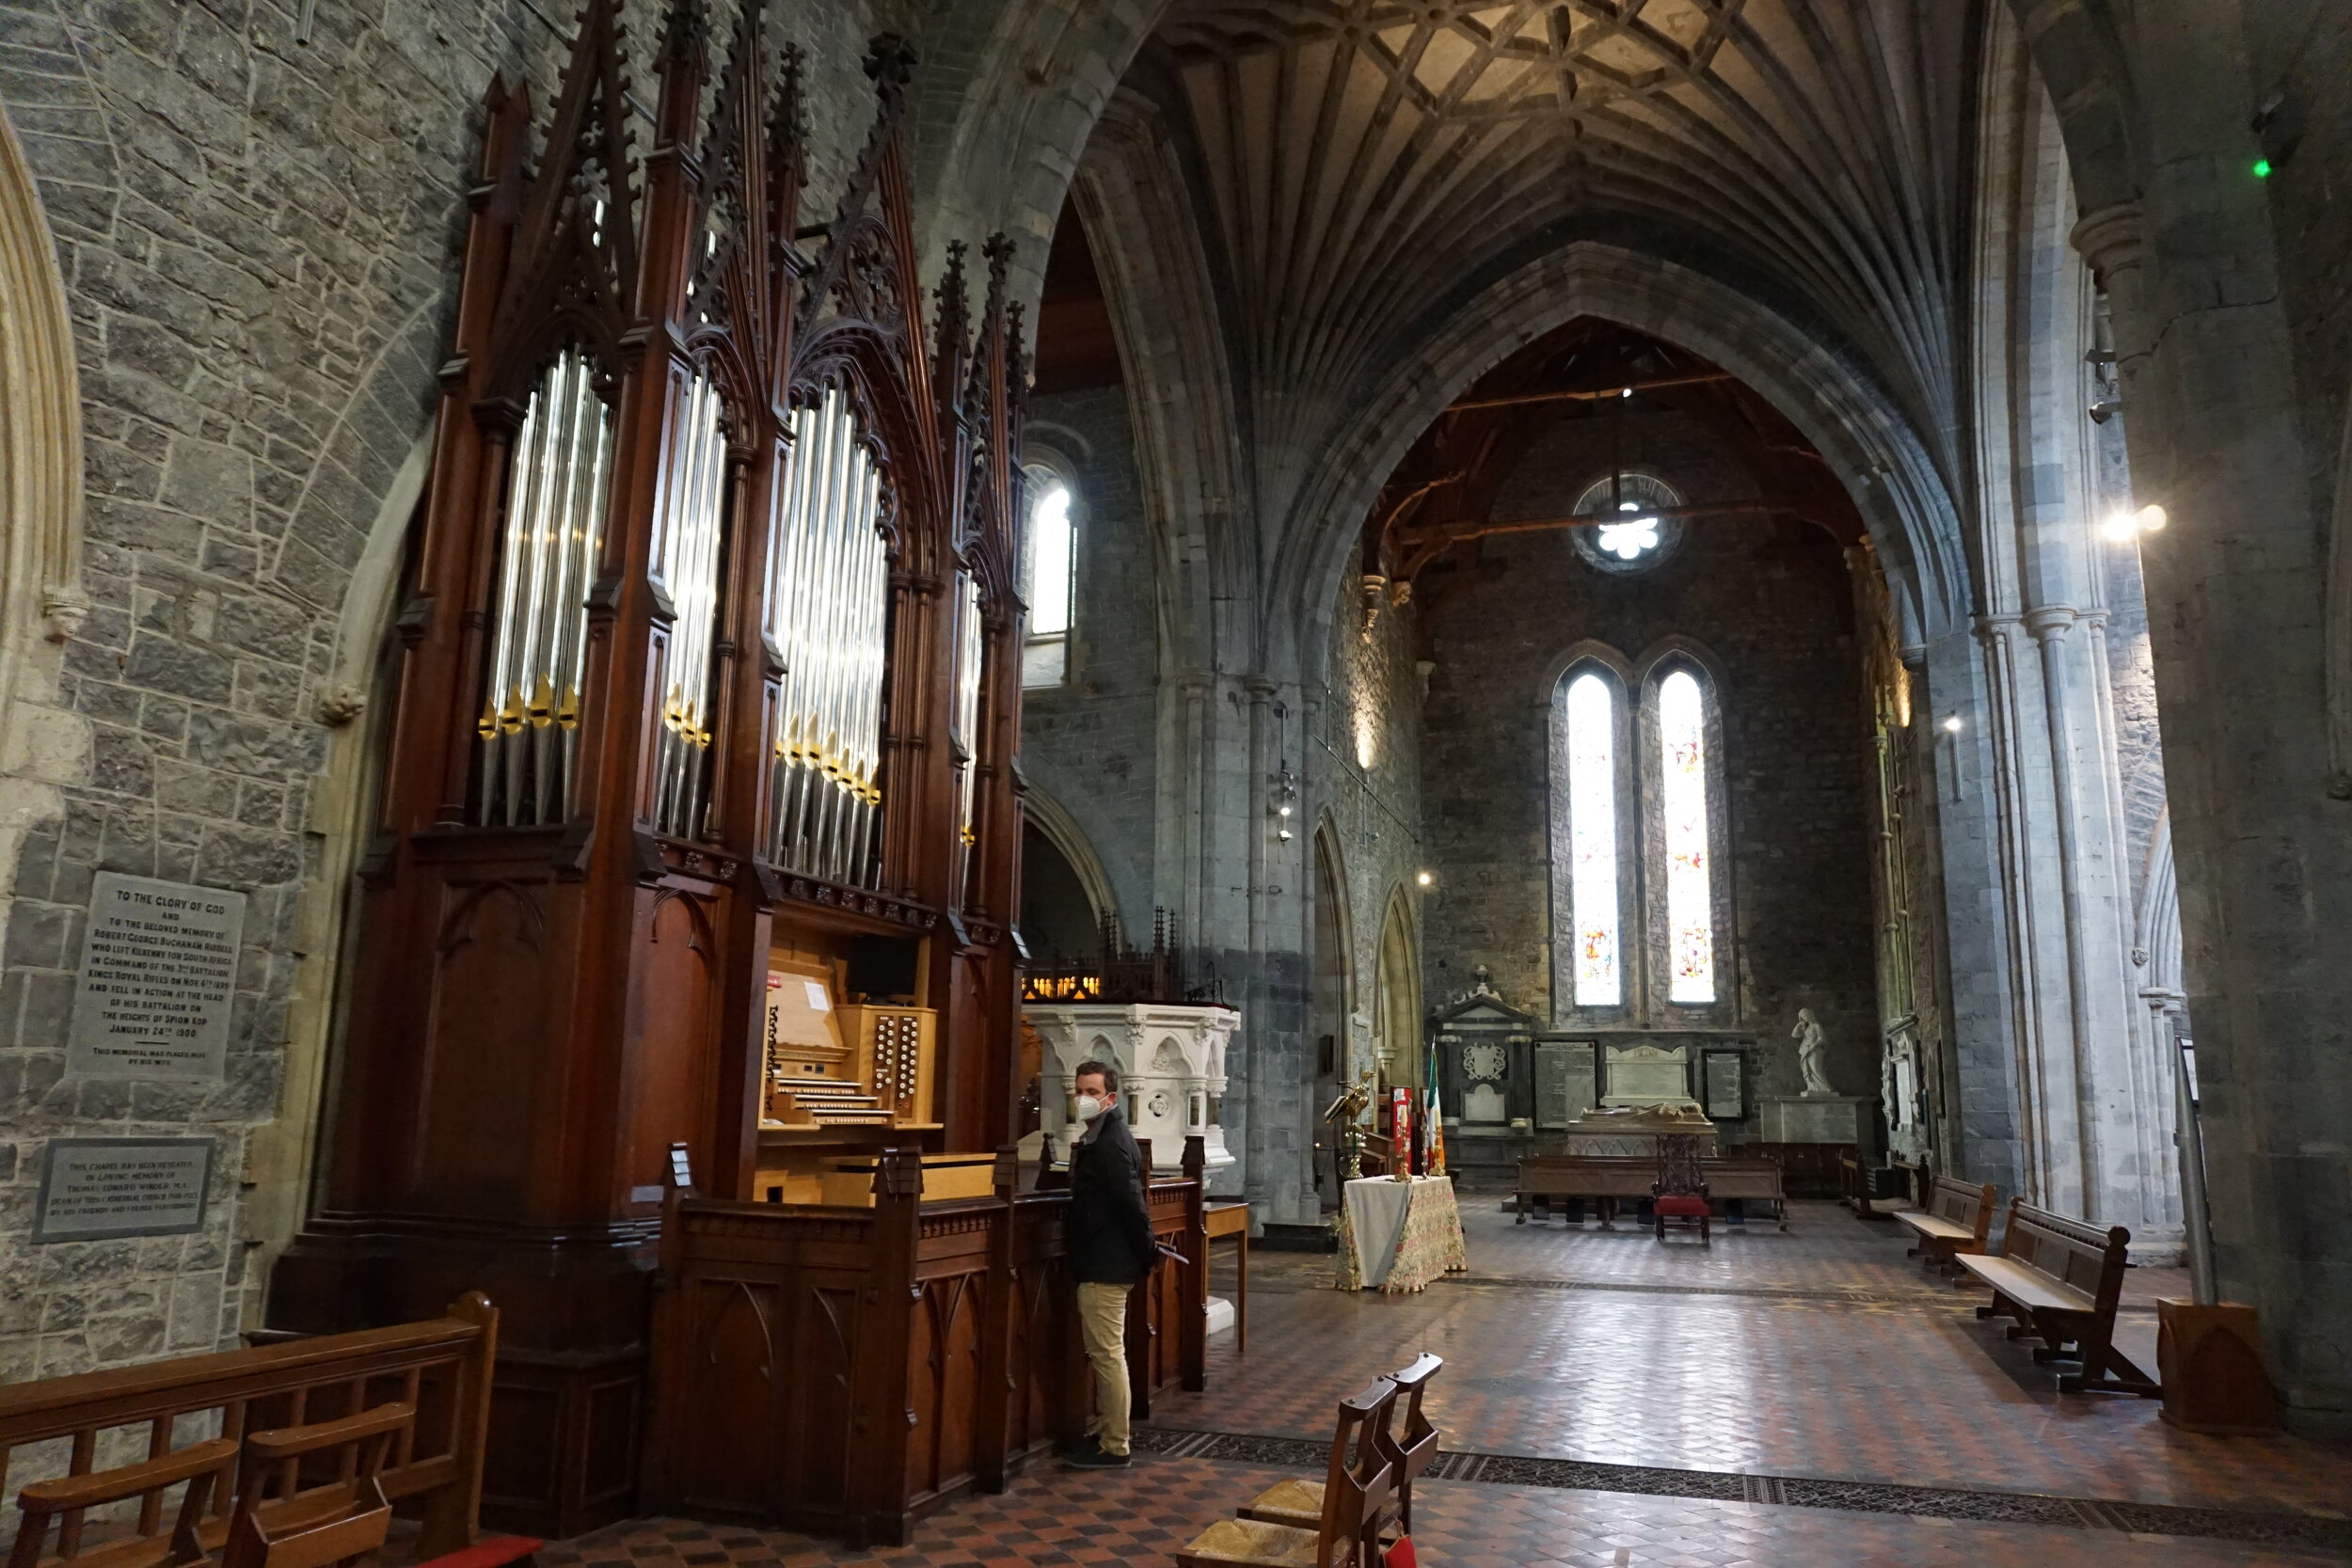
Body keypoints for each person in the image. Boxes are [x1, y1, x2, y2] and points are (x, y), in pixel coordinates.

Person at [1062, 1059, 1159, 1468]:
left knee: (1106, 1354)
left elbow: (1130, 1202)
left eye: (1091, 1092)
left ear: (1110, 1098)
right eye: (1079, 1091)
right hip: (1105, 1258)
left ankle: (1115, 1444)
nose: (1083, 1099)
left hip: (1107, 1261)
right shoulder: (1101, 1136)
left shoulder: (1110, 1141)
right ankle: (1106, 1433)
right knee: (1106, 1352)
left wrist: (1147, 1251)